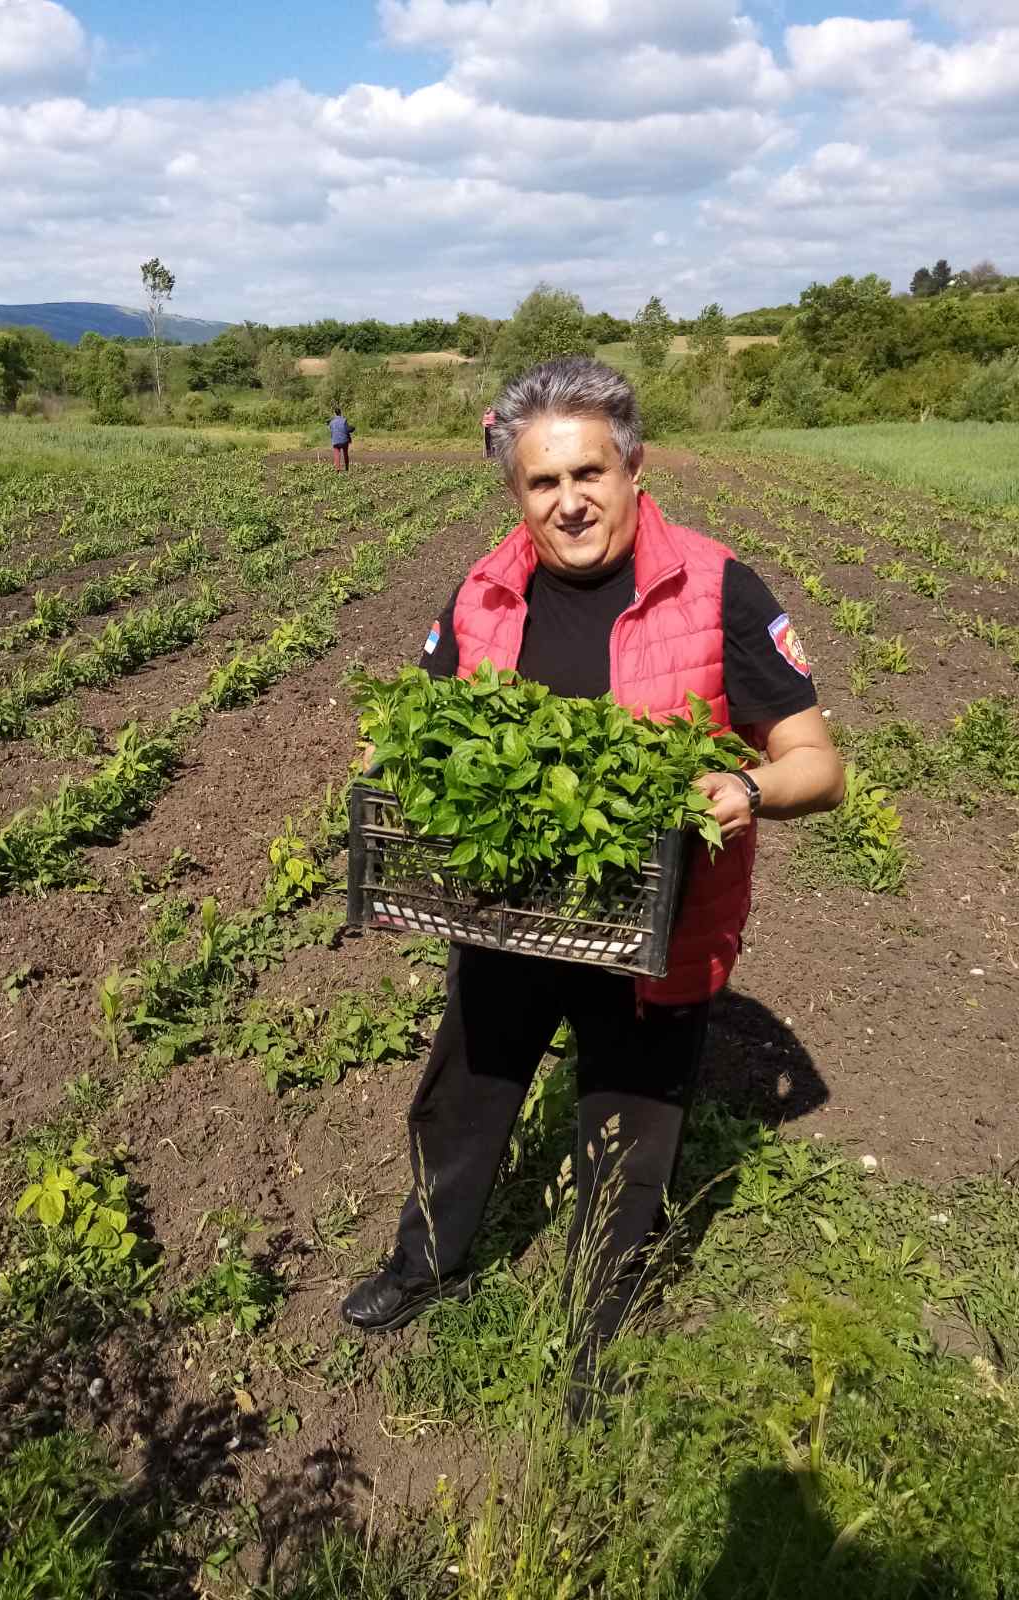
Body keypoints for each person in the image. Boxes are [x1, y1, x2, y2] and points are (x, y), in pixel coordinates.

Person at [341, 357, 844, 1413]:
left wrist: (742, 788)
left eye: (589, 472)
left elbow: (816, 762)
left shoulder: (716, 587)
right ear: (514, 490)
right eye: (541, 481)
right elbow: (424, 737)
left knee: (629, 1130)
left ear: (634, 467)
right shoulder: (483, 591)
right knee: (463, 1101)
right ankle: (425, 1259)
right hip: (506, 914)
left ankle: (596, 1328)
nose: (568, 500)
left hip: (652, 930)